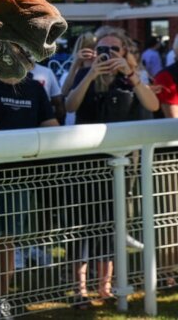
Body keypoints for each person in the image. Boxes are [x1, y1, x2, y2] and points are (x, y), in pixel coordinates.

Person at [62, 26, 159, 307]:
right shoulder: (86, 74)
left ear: (125, 51)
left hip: (122, 162)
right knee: (81, 224)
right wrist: (90, 73)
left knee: (112, 223)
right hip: (85, 162)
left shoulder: (133, 78)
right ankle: (79, 288)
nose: (107, 54)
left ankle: (105, 286)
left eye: (113, 49)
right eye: (102, 49)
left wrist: (131, 75)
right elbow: (70, 105)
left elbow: (153, 105)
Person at [0, 70, 60, 318]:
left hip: (20, 177)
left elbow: (50, 126)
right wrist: (22, 151)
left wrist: (46, 145)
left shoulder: (35, 88)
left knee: (8, 241)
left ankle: (1, 300)